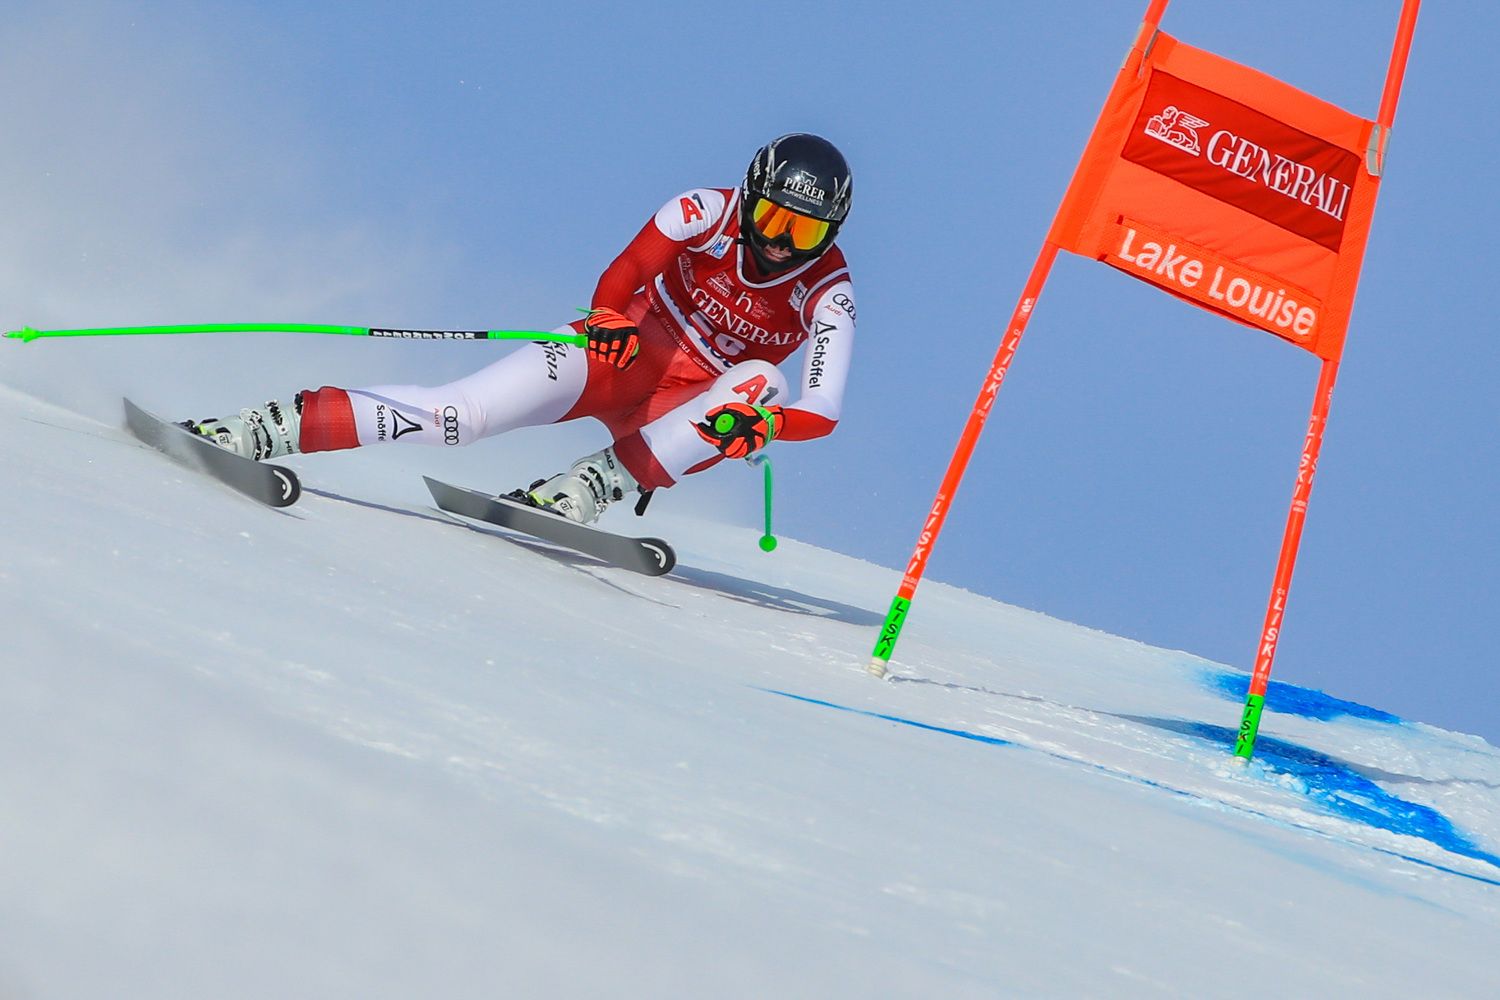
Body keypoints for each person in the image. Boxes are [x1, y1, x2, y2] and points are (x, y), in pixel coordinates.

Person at [184, 133, 856, 525]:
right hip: (625, 356)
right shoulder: (703, 212)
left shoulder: (828, 291)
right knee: (460, 416)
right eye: (774, 219)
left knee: (764, 381)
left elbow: (822, 408)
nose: (781, 242)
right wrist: (609, 318)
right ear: (751, 196)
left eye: (807, 231)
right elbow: (624, 270)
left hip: (686, 406)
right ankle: (269, 426)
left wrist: (764, 427)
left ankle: (590, 487)